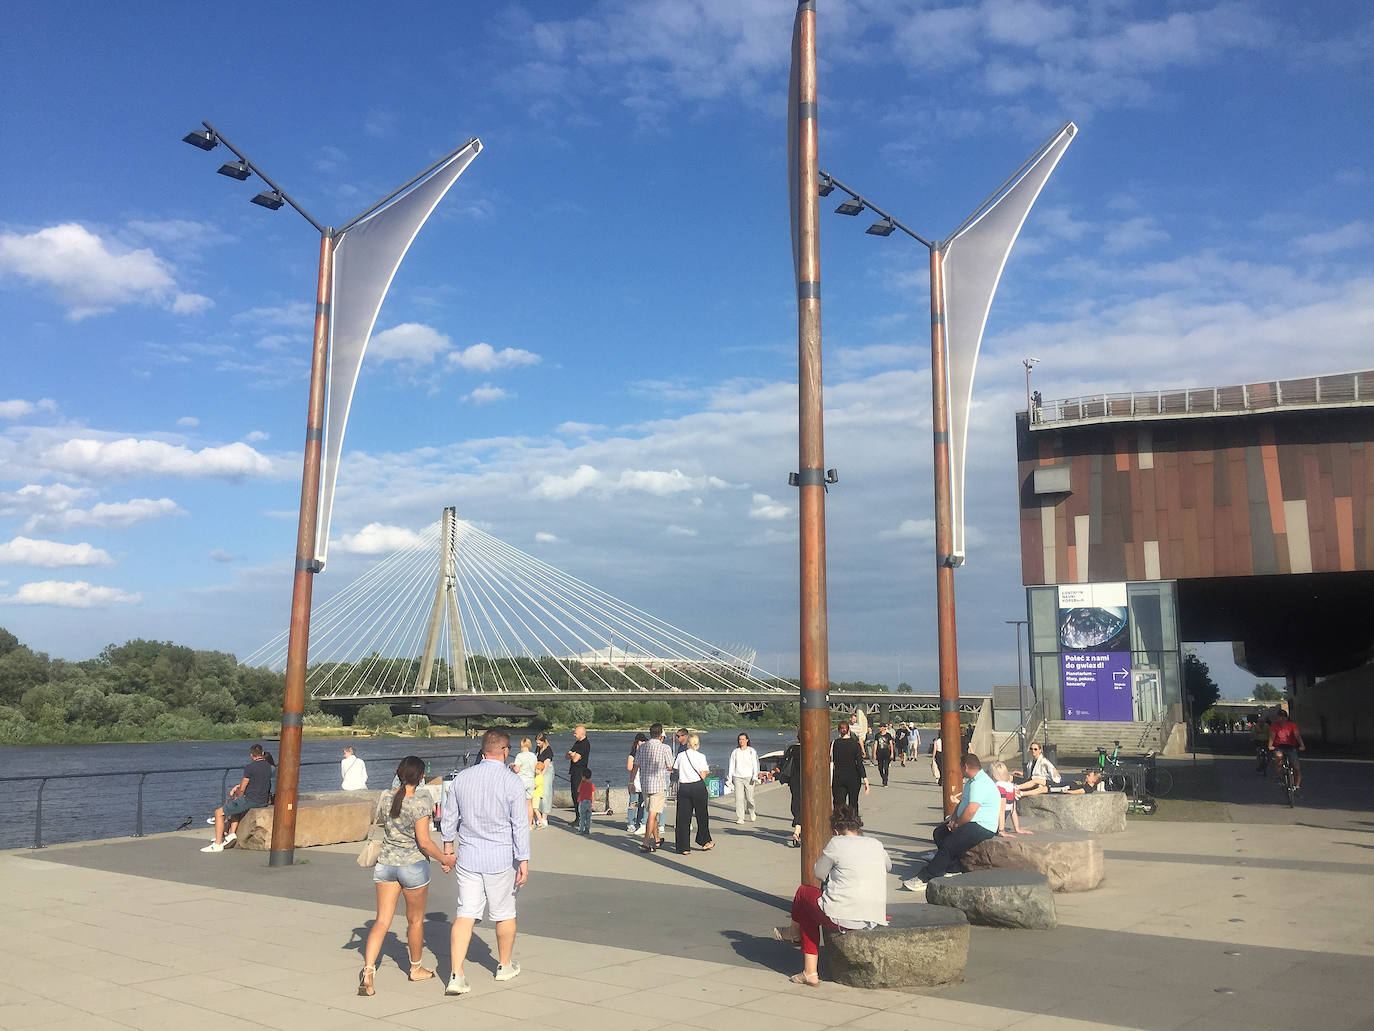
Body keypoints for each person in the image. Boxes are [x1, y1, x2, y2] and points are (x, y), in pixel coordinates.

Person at [441, 728, 531, 996]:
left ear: (483, 750)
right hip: (501, 857)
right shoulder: (512, 782)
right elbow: (519, 824)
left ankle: (456, 974)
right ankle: (504, 965)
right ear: (504, 750)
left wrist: (448, 847)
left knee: (465, 913)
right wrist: (523, 858)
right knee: (504, 912)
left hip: (469, 855)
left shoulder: (462, 778)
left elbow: (449, 816)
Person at [358, 756, 456, 997]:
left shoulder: (386, 797)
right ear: (421, 776)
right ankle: (415, 968)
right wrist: (444, 859)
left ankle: (368, 971)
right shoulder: (419, 803)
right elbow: (424, 842)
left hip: (386, 865)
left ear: (398, 773)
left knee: (382, 920)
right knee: (415, 921)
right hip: (412, 866)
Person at [773, 804, 890, 986]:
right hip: (873, 916)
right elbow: (888, 866)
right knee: (809, 909)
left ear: (836, 831)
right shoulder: (876, 844)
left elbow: (819, 873)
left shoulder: (837, 843)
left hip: (844, 916)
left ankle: (798, 942)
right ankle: (805, 962)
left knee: (803, 893)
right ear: (858, 827)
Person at [904, 753, 1000, 891]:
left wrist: (958, 824)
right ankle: (953, 867)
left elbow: (971, 810)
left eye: (961, 767)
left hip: (983, 825)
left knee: (950, 843)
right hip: (971, 822)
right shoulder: (971, 782)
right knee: (940, 833)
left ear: (965, 767)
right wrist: (953, 818)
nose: (960, 770)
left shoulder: (980, 783)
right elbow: (962, 803)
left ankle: (927, 877)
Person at [202, 744, 274, 853]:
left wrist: (239, 797)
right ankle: (231, 834)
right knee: (235, 809)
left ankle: (217, 843)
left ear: (251, 755)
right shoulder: (269, 767)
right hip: (263, 800)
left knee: (218, 812)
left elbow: (242, 788)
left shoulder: (250, 767)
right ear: (262, 753)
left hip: (251, 800)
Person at [632, 723, 673, 853]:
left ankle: (657, 839)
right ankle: (645, 844)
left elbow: (635, 766)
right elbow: (670, 766)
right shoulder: (665, 748)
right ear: (661, 734)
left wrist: (631, 782)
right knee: (652, 814)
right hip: (658, 785)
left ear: (650, 733)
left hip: (645, 785)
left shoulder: (642, 748)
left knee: (652, 812)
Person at [673, 733, 714, 855]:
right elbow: (703, 775)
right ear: (697, 743)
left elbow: (676, 769)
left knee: (683, 818)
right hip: (697, 786)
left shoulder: (681, 755)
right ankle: (704, 841)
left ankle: (683, 847)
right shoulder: (701, 756)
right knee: (702, 815)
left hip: (684, 787)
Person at [987, 759, 1032, 836]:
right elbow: (1013, 810)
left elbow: (1001, 811)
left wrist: (1001, 830)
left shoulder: (999, 788)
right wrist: (1017, 829)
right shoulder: (1011, 787)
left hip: (991, 825)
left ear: (992, 774)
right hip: (996, 824)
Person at [831, 722, 869, 811]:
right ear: (849, 731)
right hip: (853, 776)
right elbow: (859, 763)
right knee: (853, 802)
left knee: (839, 803)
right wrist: (865, 778)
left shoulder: (835, 743)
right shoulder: (855, 744)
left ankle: (839, 818)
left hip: (839, 776)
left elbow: (831, 760)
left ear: (838, 731)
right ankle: (853, 818)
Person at [774, 735, 803, 847]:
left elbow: (782, 763)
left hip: (794, 780)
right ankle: (797, 831)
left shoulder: (792, 749)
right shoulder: (809, 749)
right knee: (805, 806)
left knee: (796, 803)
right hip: (806, 780)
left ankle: (798, 830)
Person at [1268, 709, 1304, 790]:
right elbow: (1272, 736)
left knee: (1296, 767)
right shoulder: (1274, 725)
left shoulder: (1292, 725)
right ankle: (1279, 775)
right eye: (1279, 717)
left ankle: (1297, 786)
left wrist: (1302, 745)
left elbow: (1297, 736)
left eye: (1283, 717)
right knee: (1278, 756)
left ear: (1286, 718)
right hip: (1279, 746)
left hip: (1291, 747)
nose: (1281, 719)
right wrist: (1270, 745)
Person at [728, 733, 760, 823]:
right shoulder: (735, 752)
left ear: (747, 740)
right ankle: (740, 817)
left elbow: (755, 764)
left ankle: (751, 811)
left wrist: (755, 776)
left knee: (750, 798)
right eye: (740, 739)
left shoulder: (751, 751)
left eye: (743, 739)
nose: (741, 741)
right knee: (739, 798)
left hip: (749, 777)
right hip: (737, 777)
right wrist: (730, 778)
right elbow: (731, 765)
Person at [565, 725, 591, 823]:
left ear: (581, 733)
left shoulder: (584, 744)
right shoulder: (577, 743)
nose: (574, 735)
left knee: (578, 794)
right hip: (574, 771)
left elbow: (575, 759)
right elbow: (567, 756)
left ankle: (581, 818)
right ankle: (577, 817)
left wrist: (573, 755)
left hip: (580, 772)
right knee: (574, 795)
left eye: (575, 733)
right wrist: (572, 755)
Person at [511, 737, 538, 827]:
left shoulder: (519, 756)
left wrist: (512, 766)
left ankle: (520, 823)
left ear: (522, 745)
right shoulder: (533, 756)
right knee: (529, 804)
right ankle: (529, 824)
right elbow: (535, 769)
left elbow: (517, 769)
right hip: (530, 781)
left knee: (519, 803)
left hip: (521, 781)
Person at [626, 732, 648, 834]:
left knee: (643, 804)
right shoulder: (633, 754)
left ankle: (640, 822)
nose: (643, 742)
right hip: (635, 781)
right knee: (633, 803)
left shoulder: (646, 753)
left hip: (644, 782)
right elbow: (629, 767)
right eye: (641, 741)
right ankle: (631, 823)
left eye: (644, 741)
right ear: (637, 742)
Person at [534, 732, 555, 826]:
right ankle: (538, 816)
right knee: (538, 792)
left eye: (539, 743)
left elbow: (546, 765)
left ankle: (544, 817)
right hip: (539, 769)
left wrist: (541, 776)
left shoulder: (548, 750)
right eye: (537, 743)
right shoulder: (538, 748)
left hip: (547, 770)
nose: (538, 745)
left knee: (545, 792)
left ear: (543, 741)